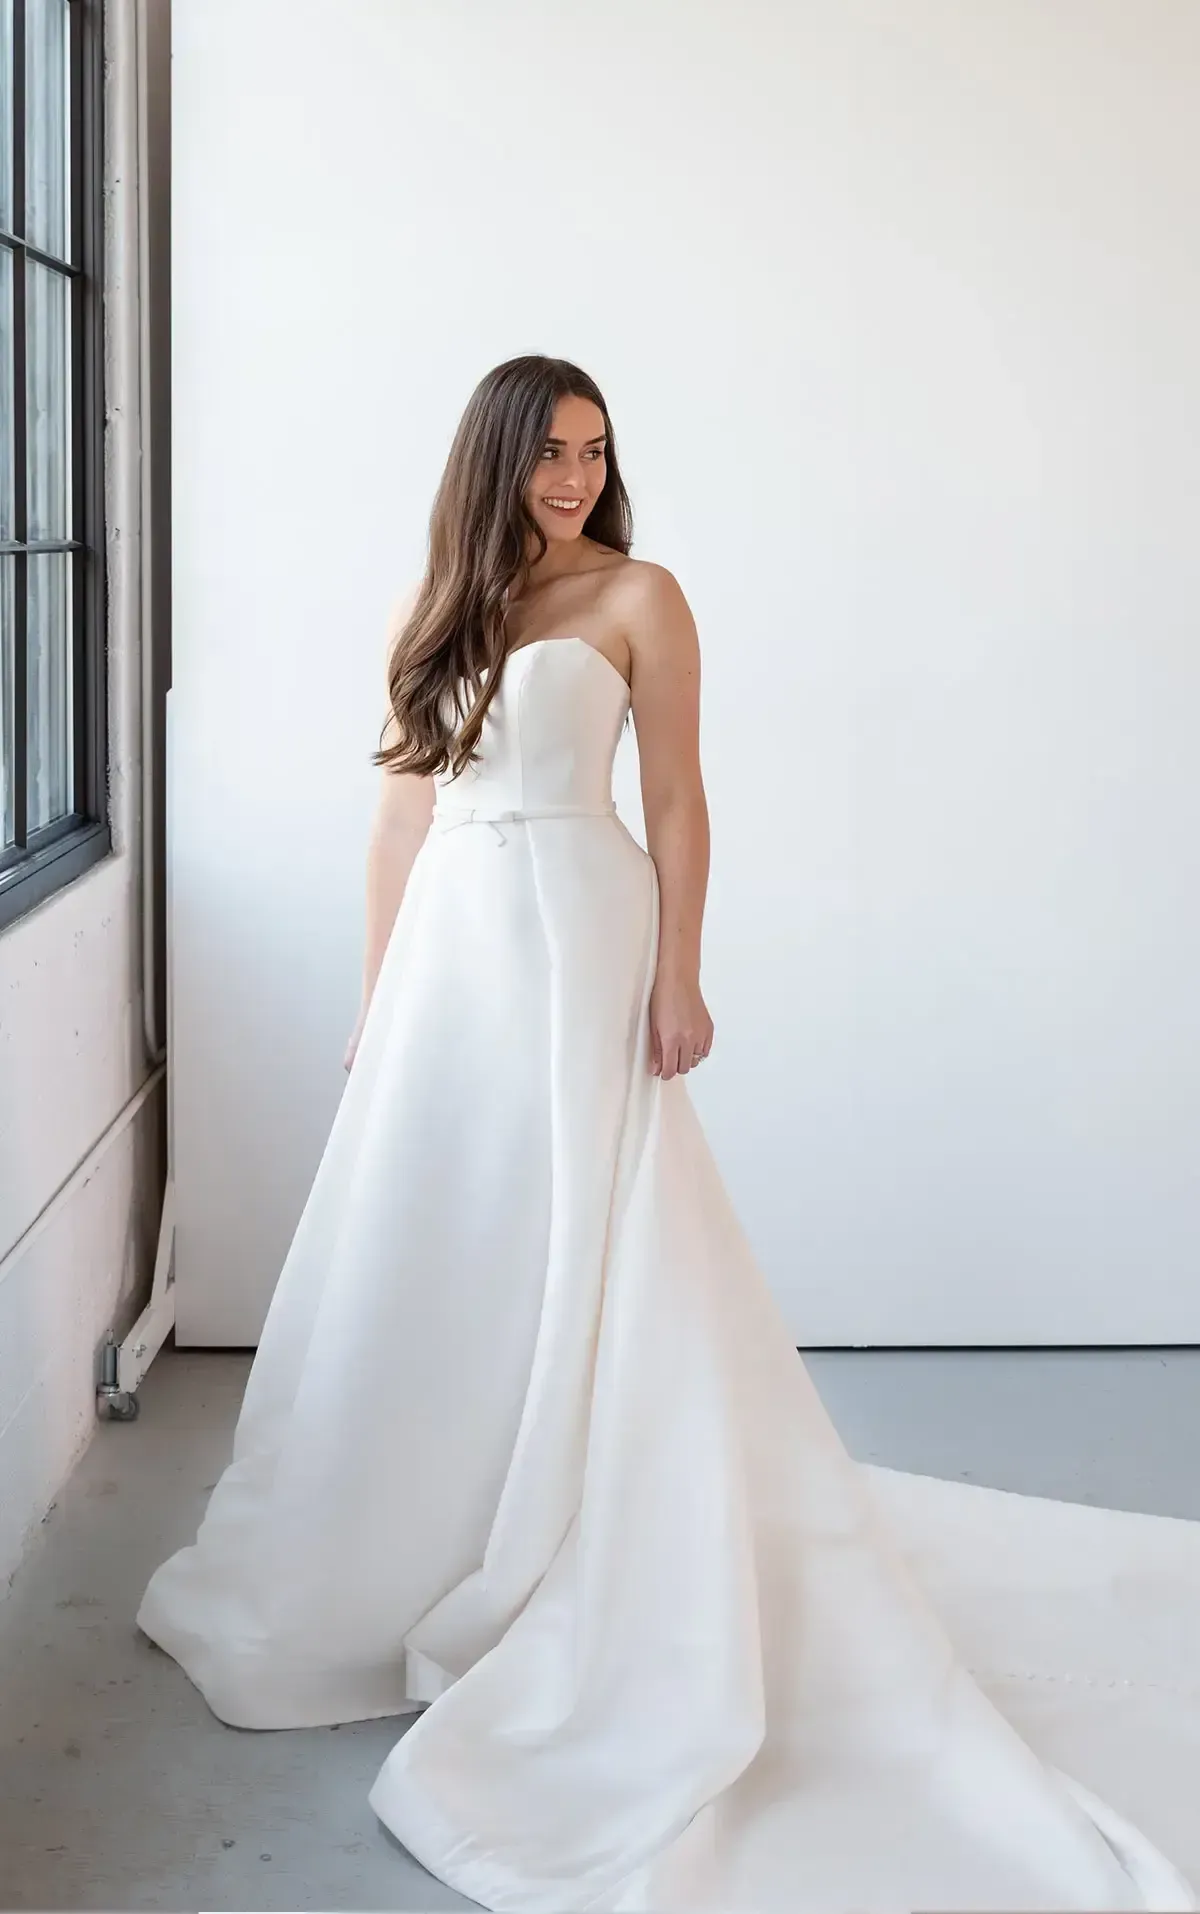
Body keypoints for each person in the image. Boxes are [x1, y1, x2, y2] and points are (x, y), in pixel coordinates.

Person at [137, 355, 1195, 1912]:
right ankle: (411, 1531)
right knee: (437, 1237)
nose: (573, 476)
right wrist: (378, 1004)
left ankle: (579, 1532)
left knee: (593, 1234)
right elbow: (400, 814)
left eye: (594, 451)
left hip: (583, 934)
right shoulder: (432, 609)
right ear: (492, 458)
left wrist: (681, 970)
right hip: (455, 956)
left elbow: (682, 801)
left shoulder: (641, 596)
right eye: (549, 451)